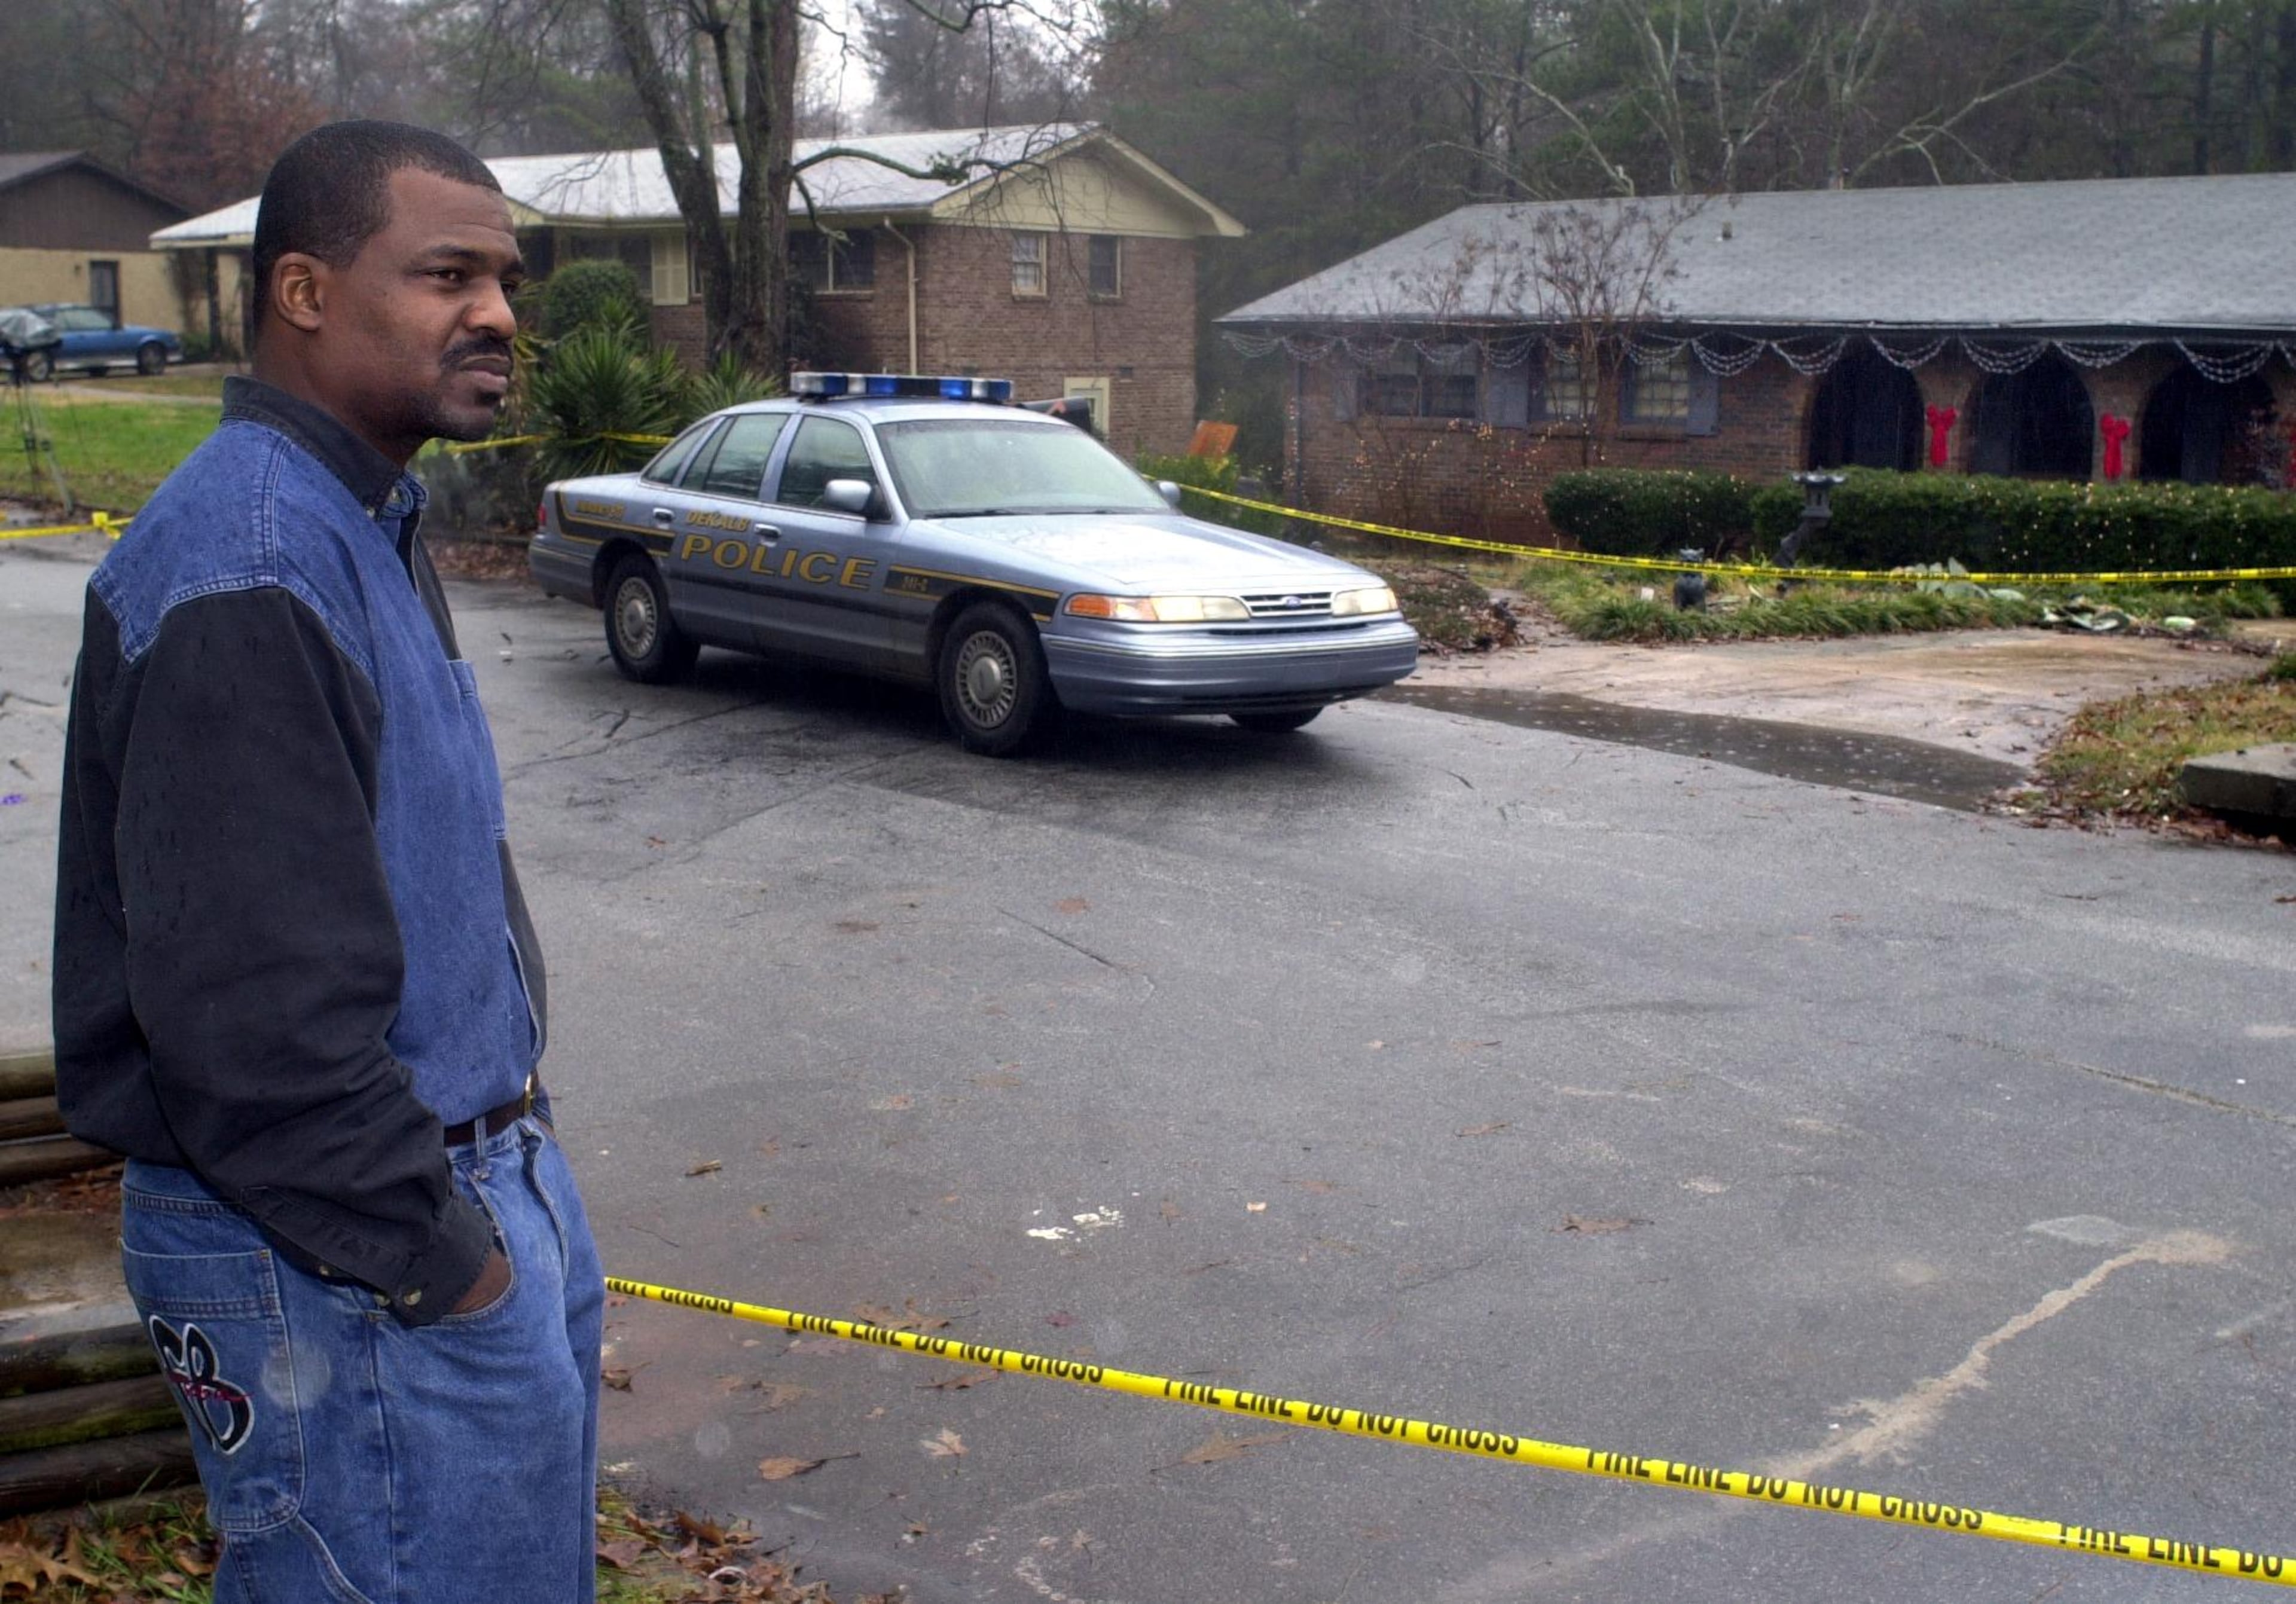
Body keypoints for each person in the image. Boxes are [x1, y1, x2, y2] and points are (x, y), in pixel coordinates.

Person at [51, 121, 602, 1603]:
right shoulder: (248, 566)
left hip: (461, 1198)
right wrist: (454, 1269)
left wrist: (521, 1205)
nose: (497, 312)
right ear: (303, 290)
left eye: (503, 275)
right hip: (349, 1264)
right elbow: (255, 1032)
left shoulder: (359, 517)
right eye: (445, 273)